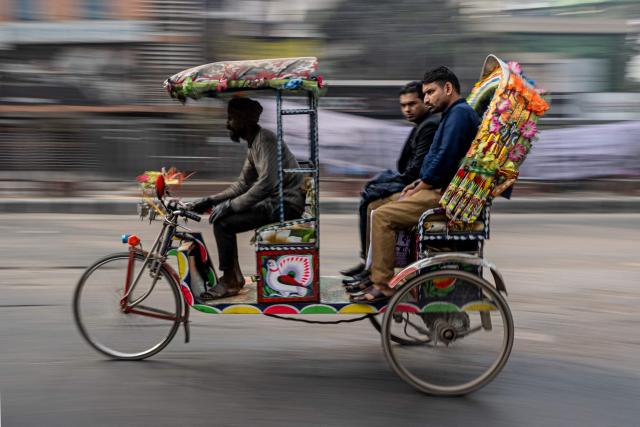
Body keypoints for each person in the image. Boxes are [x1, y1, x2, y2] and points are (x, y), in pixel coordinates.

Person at [350, 66, 480, 303]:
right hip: (434, 188)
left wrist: (420, 187)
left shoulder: (459, 115)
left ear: (448, 88)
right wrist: (419, 183)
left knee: (382, 216)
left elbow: (443, 160)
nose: (427, 99)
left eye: (430, 92)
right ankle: (372, 271)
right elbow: (437, 161)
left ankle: (383, 284)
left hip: (444, 195)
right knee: (374, 206)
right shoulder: (452, 115)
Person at [189, 97, 305, 300]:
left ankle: (230, 280)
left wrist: (231, 206)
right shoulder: (254, 144)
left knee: (223, 224)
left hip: (286, 204)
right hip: (274, 202)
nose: (227, 124)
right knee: (222, 218)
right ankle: (233, 277)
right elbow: (242, 184)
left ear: (244, 120)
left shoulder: (265, 140)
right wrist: (211, 200)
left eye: (231, 118)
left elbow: (266, 183)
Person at [340, 81, 440, 280]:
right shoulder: (422, 125)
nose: (407, 110)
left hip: (421, 186)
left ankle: (377, 274)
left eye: (412, 104)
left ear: (424, 101)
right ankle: (368, 263)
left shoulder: (429, 125)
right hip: (414, 181)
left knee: (374, 205)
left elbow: (416, 170)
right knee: (370, 196)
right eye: (403, 106)